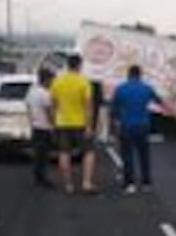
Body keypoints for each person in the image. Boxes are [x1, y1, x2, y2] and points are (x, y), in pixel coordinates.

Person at [110, 64, 168, 194]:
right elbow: (159, 101)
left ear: (128, 75)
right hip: (143, 126)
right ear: (140, 75)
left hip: (126, 126)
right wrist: (172, 110)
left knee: (127, 155)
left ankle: (129, 184)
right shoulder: (147, 88)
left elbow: (113, 110)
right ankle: (146, 183)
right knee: (144, 155)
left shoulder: (120, 89)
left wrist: (114, 124)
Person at [51, 53, 98, 194]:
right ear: (79, 65)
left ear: (67, 65)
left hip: (62, 122)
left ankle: (68, 184)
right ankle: (86, 182)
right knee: (89, 152)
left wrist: (54, 122)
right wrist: (89, 126)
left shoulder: (57, 81)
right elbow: (88, 106)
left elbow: (54, 104)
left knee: (64, 153)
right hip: (80, 123)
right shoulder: (84, 82)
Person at [24, 66, 55, 188]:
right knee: (44, 155)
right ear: (47, 80)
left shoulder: (32, 91)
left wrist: (32, 119)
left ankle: (38, 177)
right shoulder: (45, 94)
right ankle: (43, 179)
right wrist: (54, 124)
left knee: (38, 154)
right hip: (45, 127)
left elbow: (27, 106)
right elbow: (49, 112)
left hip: (35, 126)